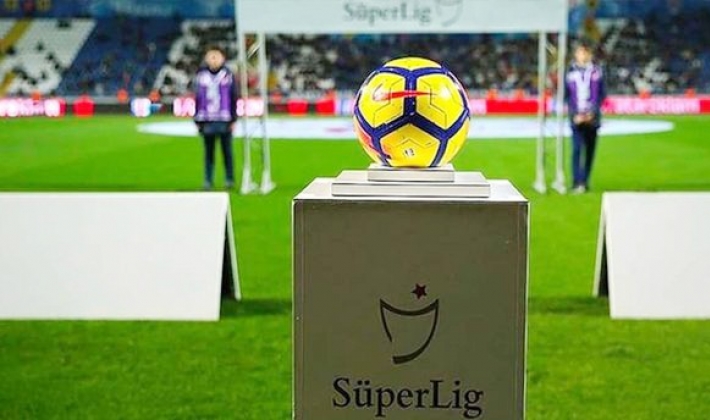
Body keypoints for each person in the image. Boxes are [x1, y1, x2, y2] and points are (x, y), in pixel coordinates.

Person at [565, 39, 605, 194]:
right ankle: (576, 182)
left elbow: (602, 94)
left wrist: (592, 113)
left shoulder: (597, 72)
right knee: (576, 150)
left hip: (592, 119)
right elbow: (567, 96)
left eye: (586, 52)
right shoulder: (570, 73)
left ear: (590, 54)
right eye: (580, 52)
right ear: (576, 54)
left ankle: (585, 181)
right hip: (576, 119)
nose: (583, 55)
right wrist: (574, 114)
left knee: (589, 151)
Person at [194, 47, 237, 190]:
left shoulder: (227, 75)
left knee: (227, 151)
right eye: (210, 56)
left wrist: (234, 119)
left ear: (222, 58)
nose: (213, 59)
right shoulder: (201, 75)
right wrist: (197, 119)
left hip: (224, 119)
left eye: (216, 56)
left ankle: (229, 179)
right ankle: (208, 180)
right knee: (209, 152)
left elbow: (234, 97)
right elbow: (197, 97)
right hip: (207, 119)